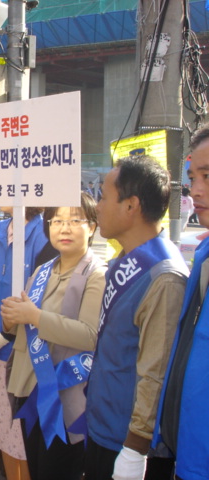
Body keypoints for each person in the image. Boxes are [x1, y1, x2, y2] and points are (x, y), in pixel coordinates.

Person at [84, 156, 188, 480]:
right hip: (103, 429)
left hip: (128, 448)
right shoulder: (123, 258)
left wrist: (134, 448)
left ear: (131, 206)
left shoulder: (164, 277)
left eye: (102, 195)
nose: (97, 206)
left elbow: (155, 374)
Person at [0, 193, 106, 480]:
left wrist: (33, 316)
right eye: (57, 220)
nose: (65, 227)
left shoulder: (96, 274)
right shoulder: (42, 270)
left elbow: (89, 335)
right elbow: (22, 328)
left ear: (93, 227)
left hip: (65, 397)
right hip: (28, 391)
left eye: (75, 220)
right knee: (35, 468)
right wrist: (9, 321)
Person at [0, 206, 52, 480]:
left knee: (18, 432)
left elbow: (40, 299)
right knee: (1, 427)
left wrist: (8, 334)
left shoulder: (43, 237)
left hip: (23, 353)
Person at [155, 125, 209, 480]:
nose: (197, 189)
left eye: (208, 176)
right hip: (185, 449)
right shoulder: (203, 252)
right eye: (193, 176)